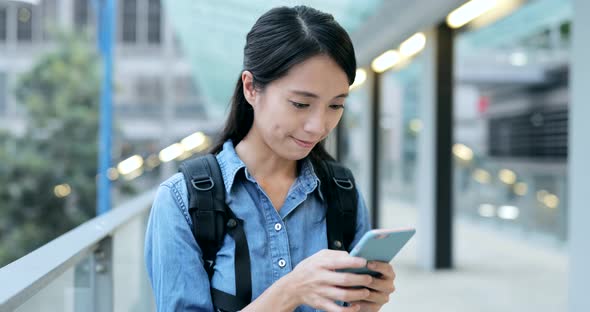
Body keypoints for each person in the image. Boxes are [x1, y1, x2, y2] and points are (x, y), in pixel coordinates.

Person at [144, 5, 396, 312]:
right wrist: (291, 290)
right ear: (251, 88)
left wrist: (368, 302)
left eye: (335, 106)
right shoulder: (183, 201)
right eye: (301, 104)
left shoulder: (342, 192)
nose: (318, 126)